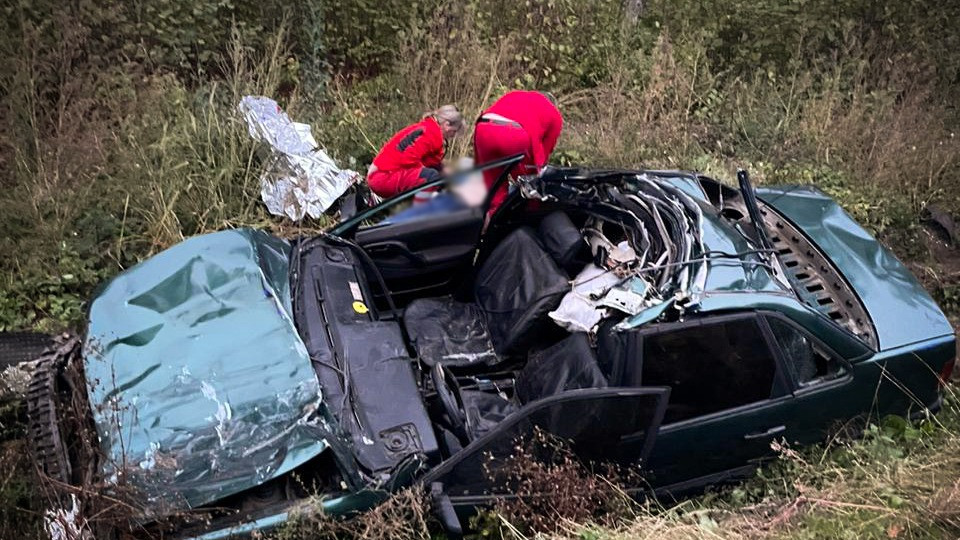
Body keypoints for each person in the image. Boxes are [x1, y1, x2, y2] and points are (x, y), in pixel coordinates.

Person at [473, 90, 563, 213]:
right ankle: (532, 215)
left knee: (493, 191)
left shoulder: (516, 94)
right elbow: (544, 153)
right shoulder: (554, 114)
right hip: (513, 133)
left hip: (483, 128)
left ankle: (488, 222)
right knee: (530, 185)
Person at [366, 105, 464, 198]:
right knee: (431, 177)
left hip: (384, 175)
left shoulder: (428, 129)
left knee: (439, 174)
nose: (453, 136)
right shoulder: (429, 133)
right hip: (383, 177)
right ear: (447, 125)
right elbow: (407, 159)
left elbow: (431, 162)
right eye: (454, 132)